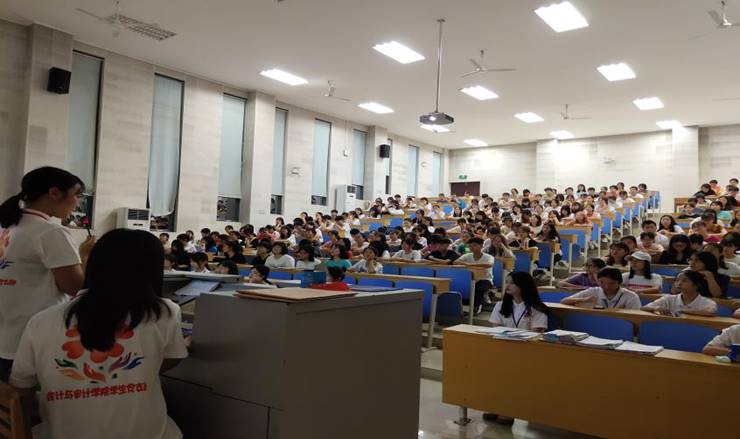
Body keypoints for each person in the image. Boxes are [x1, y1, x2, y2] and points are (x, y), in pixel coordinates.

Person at [9, 229, 187, 439]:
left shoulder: (41, 322)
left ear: (93, 265)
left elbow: (21, 389)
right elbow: (171, 358)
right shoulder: (164, 313)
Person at [0, 164, 98, 379]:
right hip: (29, 341)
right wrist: (85, 256)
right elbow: (75, 288)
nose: (77, 203)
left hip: (7, 336)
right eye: (76, 195)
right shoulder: (51, 232)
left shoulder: (7, 226)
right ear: (54, 193)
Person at [483, 272, 550, 425]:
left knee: (513, 374)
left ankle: (509, 408)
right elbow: (495, 328)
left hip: (526, 350)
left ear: (523, 285)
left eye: (511, 283)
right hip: (503, 347)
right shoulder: (501, 305)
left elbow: (535, 334)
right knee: (495, 372)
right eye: (507, 282)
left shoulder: (537, 308)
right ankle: (495, 404)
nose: (507, 286)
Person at [560, 267, 642, 309]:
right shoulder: (593, 291)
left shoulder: (631, 297)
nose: (606, 286)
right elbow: (564, 301)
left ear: (619, 283)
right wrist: (584, 300)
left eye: (611, 283)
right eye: (602, 282)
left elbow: (637, 319)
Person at [642, 271, 716, 317]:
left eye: (684, 281)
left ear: (696, 285)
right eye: (677, 280)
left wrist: (681, 311)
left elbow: (710, 312)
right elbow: (644, 307)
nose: (679, 283)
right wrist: (655, 308)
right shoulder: (669, 298)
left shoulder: (707, 302)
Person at [454, 237, 494, 315]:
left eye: (474, 245)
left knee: (478, 288)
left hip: (485, 280)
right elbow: (456, 262)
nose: (472, 248)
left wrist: (470, 265)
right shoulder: (468, 255)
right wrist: (464, 263)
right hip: (469, 279)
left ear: (481, 246)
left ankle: (476, 307)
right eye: (470, 246)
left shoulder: (488, 257)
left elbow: (489, 264)